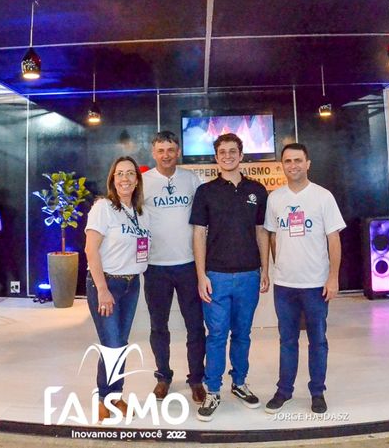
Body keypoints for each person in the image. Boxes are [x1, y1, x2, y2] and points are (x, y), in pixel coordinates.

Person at [190, 133, 269, 422]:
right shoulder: (205, 192)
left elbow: (262, 232)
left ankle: (239, 382)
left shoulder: (257, 190)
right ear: (216, 157)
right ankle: (213, 390)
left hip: (249, 274)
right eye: (222, 152)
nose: (227, 156)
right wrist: (201, 275)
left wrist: (265, 269)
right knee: (217, 335)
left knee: (242, 334)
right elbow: (199, 234)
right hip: (216, 276)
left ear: (241, 154)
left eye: (232, 151)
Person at [262, 143, 345, 415]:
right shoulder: (275, 199)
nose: (293, 165)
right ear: (282, 165)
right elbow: (272, 236)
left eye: (298, 160)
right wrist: (274, 269)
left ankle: (317, 392)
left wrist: (333, 278)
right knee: (287, 340)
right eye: (287, 161)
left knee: (317, 340)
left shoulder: (323, 197)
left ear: (307, 163)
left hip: (315, 285)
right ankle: (284, 391)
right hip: (285, 285)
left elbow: (334, 239)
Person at [141, 131, 207, 404]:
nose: (166, 155)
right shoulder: (143, 182)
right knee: (159, 326)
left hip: (189, 265)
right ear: (153, 153)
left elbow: (204, 218)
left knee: (195, 326)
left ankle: (196, 379)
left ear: (178, 151)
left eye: (170, 150)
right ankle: (163, 377)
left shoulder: (191, 179)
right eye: (161, 150)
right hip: (155, 266)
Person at [84, 156, 150, 422]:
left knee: (120, 344)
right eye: (120, 173)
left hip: (131, 285)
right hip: (106, 284)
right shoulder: (103, 208)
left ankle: (115, 396)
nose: (125, 178)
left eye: (130, 173)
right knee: (111, 344)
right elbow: (90, 250)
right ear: (112, 179)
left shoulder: (140, 212)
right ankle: (103, 399)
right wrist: (102, 289)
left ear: (137, 180)